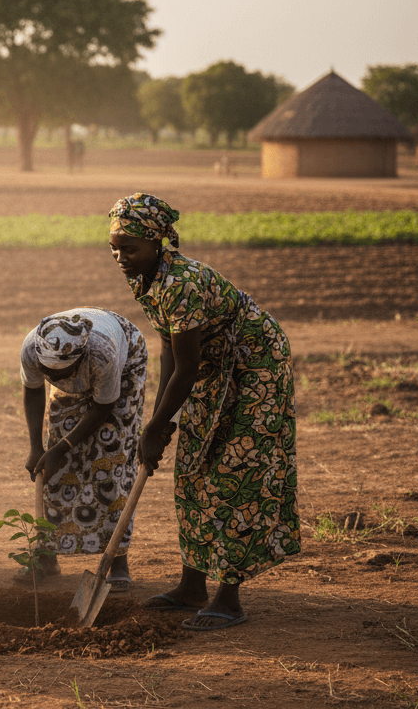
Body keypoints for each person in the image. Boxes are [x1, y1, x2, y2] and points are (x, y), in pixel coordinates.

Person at [109, 193, 300, 630]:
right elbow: (169, 355)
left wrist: (156, 427)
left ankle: (228, 598)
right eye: (114, 247)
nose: (120, 256)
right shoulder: (146, 276)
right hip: (214, 367)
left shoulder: (181, 282)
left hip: (256, 367)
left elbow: (188, 367)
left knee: (236, 472)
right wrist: (157, 422)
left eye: (130, 247)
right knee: (193, 467)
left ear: (159, 242)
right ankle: (191, 585)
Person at [21, 308, 147, 591]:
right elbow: (32, 389)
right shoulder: (32, 348)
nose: (55, 379)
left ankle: (117, 559)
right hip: (87, 366)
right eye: (48, 373)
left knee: (111, 457)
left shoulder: (103, 356)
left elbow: (103, 407)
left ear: (78, 363)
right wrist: (36, 447)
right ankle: (46, 556)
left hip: (125, 364)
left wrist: (62, 447)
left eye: (61, 374)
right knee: (53, 465)